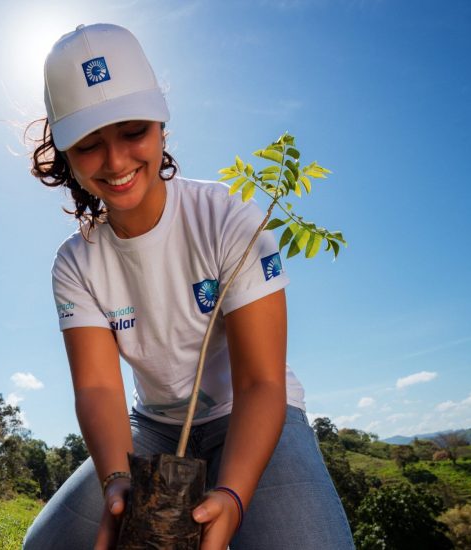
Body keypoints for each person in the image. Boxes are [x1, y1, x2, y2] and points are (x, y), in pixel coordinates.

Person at [23, 23, 354, 550]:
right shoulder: (75, 262)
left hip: (247, 412)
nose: (115, 162)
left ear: (160, 124)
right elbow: (99, 388)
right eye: (89, 145)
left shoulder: (230, 218)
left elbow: (259, 384)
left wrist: (235, 496)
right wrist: (116, 481)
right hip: (152, 428)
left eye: (133, 132)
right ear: (65, 154)